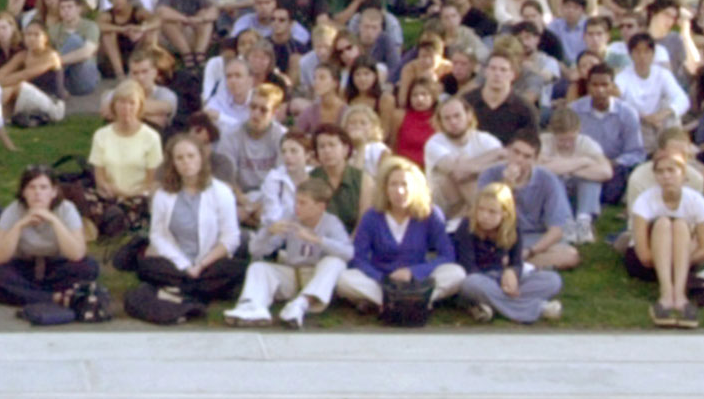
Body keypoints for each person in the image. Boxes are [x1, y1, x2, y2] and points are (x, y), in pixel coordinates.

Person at [223, 176, 352, 328]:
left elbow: (348, 253)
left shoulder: (331, 223)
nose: (297, 207)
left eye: (303, 203)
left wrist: (319, 240)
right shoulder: (290, 218)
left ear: (320, 207)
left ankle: (301, 305)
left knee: (335, 263)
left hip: (316, 276)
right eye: (296, 201)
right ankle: (253, 307)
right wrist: (267, 233)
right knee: (258, 268)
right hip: (293, 274)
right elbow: (255, 250)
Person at [337, 159, 463, 313]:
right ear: (385, 188)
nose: (399, 191)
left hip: (418, 281)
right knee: (344, 279)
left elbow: (447, 255)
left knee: (456, 273)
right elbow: (358, 258)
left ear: (416, 187)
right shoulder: (372, 216)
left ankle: (415, 300)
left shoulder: (430, 214)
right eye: (394, 184)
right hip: (382, 282)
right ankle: (396, 302)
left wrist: (413, 272)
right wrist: (382, 278)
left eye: (405, 184)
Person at [135, 130, 243, 304]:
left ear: (201, 157)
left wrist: (201, 265)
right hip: (176, 262)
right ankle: (198, 292)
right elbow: (157, 236)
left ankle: (178, 292)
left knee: (234, 269)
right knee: (146, 266)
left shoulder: (221, 192)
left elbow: (231, 238)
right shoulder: (163, 194)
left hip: (208, 262)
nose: (186, 162)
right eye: (180, 158)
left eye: (191, 156)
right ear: (173, 163)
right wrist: (185, 266)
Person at [0, 164, 96, 309]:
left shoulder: (66, 210)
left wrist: (54, 221)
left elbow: (76, 254)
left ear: (53, 192)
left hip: (56, 267)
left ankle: (23, 295)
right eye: (32, 187)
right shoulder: (13, 211)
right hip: (24, 267)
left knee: (89, 267)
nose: (37, 193)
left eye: (43, 188)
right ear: (24, 192)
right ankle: (53, 298)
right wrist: (20, 225)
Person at [628, 149, 704, 327]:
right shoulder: (644, 201)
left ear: (683, 174)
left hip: (684, 256)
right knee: (663, 224)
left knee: (681, 225)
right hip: (650, 260)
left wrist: (679, 257)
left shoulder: (696, 201)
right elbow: (643, 254)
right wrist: (666, 258)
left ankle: (680, 295)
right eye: (660, 172)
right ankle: (666, 294)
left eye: (671, 171)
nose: (666, 176)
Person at [455, 182, 562, 324]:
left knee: (552, 280)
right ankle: (538, 308)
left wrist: (512, 273)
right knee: (472, 283)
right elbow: (469, 268)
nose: (484, 216)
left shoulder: (513, 228)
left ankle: (491, 305)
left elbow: (516, 262)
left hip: (502, 280)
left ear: (505, 213)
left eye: (492, 212)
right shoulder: (467, 226)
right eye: (481, 210)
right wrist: (501, 281)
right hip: (480, 279)